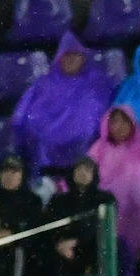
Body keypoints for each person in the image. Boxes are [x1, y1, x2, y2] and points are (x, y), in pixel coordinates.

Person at [12, 33, 117, 173]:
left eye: (75, 55)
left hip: (86, 162)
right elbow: (22, 116)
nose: (70, 59)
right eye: (66, 54)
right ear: (59, 58)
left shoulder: (98, 84)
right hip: (45, 161)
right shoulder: (43, 83)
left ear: (83, 58)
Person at [88, 106, 140, 265]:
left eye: (124, 121)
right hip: (107, 212)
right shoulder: (99, 148)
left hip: (137, 213)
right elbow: (85, 174)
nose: (119, 126)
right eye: (114, 122)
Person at [40, 157, 115, 276]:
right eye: (79, 169)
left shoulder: (105, 199)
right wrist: (59, 244)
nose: (83, 173)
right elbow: (49, 226)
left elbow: (103, 227)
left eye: (87, 170)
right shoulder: (58, 200)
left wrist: (77, 242)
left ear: (94, 174)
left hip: (91, 249)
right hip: (60, 251)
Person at [0, 155, 46, 276]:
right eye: (6, 171)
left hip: (22, 248)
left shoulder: (33, 200)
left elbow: (35, 228)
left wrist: (13, 234)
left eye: (14, 171)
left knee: (18, 250)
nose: (9, 176)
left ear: (22, 175)